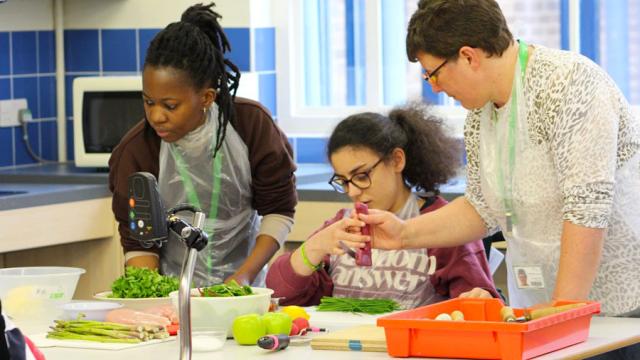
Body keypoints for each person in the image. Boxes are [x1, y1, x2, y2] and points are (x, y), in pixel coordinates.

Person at [358, 0, 640, 320]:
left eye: (432, 74)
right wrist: (403, 233)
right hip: (544, 303)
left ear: (468, 56)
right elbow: (482, 207)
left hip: (623, 302)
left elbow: (587, 207)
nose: (434, 87)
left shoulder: (569, 82)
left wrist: (563, 312)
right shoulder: (481, 114)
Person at [108, 3, 297, 287]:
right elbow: (140, 241)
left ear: (207, 98)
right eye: (149, 101)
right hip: (174, 294)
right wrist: (154, 297)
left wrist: (243, 278)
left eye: (171, 105)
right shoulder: (136, 150)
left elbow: (279, 209)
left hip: (247, 288)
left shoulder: (251, 125)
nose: (157, 116)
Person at [266, 103, 499, 309]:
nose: (353, 191)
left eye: (361, 175)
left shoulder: (445, 225)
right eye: (344, 181)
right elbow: (280, 294)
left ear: (397, 160)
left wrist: (478, 299)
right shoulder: (341, 226)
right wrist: (314, 247)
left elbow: (476, 306)